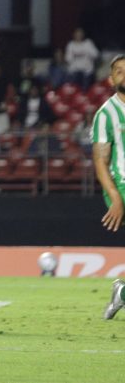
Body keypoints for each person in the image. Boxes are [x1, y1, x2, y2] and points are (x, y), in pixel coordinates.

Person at [95, 55, 125, 320]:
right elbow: (101, 161)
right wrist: (115, 196)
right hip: (122, 186)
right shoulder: (106, 114)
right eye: (119, 71)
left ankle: (122, 293)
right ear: (111, 79)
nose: (124, 75)